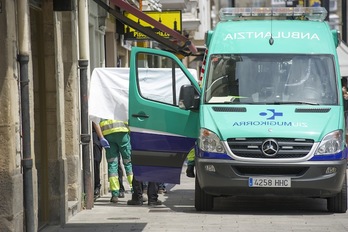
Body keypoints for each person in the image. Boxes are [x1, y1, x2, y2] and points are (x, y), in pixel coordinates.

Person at [94, 119, 133, 203]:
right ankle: (135, 190)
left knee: (112, 164)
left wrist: (101, 137)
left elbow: (95, 120)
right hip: (122, 132)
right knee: (128, 162)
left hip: (108, 134)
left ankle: (114, 194)